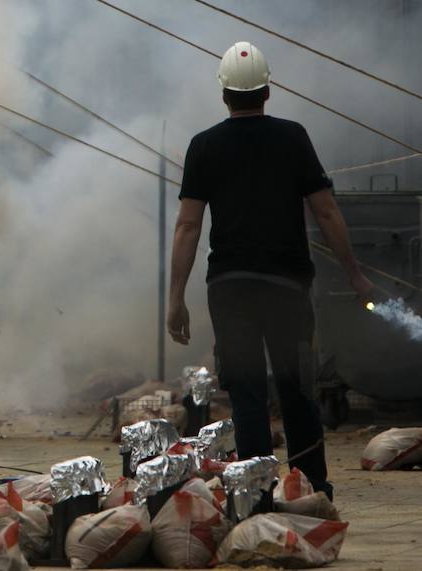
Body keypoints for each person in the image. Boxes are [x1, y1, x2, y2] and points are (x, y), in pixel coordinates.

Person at [166, 41, 373, 498]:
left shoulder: (203, 146)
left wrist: (175, 297)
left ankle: (256, 495)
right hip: (288, 288)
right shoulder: (293, 137)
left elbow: (187, 226)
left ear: (223, 94)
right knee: (297, 388)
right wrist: (355, 273)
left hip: (229, 288)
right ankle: (312, 488)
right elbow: (326, 212)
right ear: (267, 91)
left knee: (247, 393)